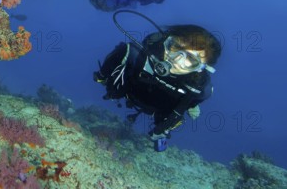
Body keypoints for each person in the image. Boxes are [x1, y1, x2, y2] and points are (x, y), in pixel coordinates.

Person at [94, 10, 221, 151]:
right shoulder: (139, 54)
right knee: (115, 85)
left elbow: (192, 102)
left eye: (191, 59)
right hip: (131, 91)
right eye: (176, 47)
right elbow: (112, 64)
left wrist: (188, 107)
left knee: (165, 126)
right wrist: (102, 76)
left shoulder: (198, 88)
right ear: (166, 41)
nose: (177, 60)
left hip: (161, 107)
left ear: (200, 68)